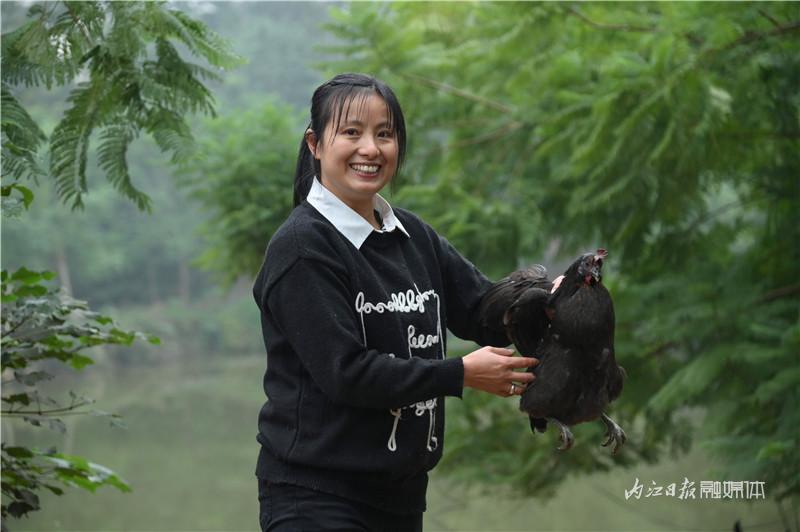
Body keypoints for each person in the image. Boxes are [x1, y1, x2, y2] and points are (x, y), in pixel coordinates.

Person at [253, 72, 539, 531]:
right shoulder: (304, 248)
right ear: (315, 143)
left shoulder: (410, 235)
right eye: (352, 132)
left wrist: (552, 300)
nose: (371, 148)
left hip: (401, 499)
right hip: (315, 499)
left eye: (384, 134)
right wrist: (459, 373)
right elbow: (346, 374)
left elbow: (483, 310)